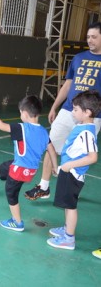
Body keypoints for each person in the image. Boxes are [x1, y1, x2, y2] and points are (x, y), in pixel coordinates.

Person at [25, 21, 101, 201]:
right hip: (68, 111)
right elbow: (68, 84)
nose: (90, 40)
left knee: (80, 155)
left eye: (94, 37)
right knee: (50, 146)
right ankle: (43, 187)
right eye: (88, 37)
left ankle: (70, 191)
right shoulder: (79, 58)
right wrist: (55, 106)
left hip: (92, 117)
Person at [0, 96, 58, 232]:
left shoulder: (21, 128)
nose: (20, 114)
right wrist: (55, 166)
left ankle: (17, 222)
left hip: (19, 171)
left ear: (25, 114)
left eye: (20, 112)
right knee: (6, 167)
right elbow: (51, 150)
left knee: (11, 194)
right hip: (28, 169)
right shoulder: (43, 132)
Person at [47, 90, 101, 250]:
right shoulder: (82, 126)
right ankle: (66, 230)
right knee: (66, 204)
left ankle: (69, 239)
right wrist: (64, 166)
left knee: (70, 206)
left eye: (76, 109)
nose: (72, 112)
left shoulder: (87, 132)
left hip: (73, 174)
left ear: (87, 112)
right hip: (68, 171)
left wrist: (69, 166)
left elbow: (93, 157)